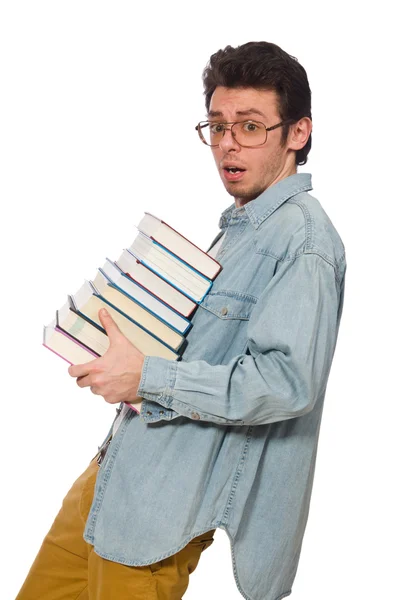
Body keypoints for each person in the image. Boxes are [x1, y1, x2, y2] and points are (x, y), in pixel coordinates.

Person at [16, 41, 346, 600]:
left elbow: (286, 386)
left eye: (250, 126)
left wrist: (145, 376)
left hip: (158, 515)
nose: (227, 145)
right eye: (216, 126)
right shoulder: (243, 228)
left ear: (298, 133)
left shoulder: (304, 243)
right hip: (112, 476)